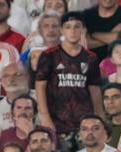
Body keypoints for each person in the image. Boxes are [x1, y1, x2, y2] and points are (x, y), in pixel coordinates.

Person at [35, 12, 103, 141]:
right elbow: (40, 86)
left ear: (83, 30)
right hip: (56, 121)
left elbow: (95, 90)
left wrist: (100, 118)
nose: (72, 31)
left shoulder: (91, 57)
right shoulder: (48, 55)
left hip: (84, 123)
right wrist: (45, 117)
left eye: (77, 26)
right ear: (61, 30)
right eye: (68, 27)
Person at [0, 62, 30, 132]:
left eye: (17, 75)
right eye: (6, 76)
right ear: (1, 81)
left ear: (28, 77)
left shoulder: (44, 100)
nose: (11, 80)